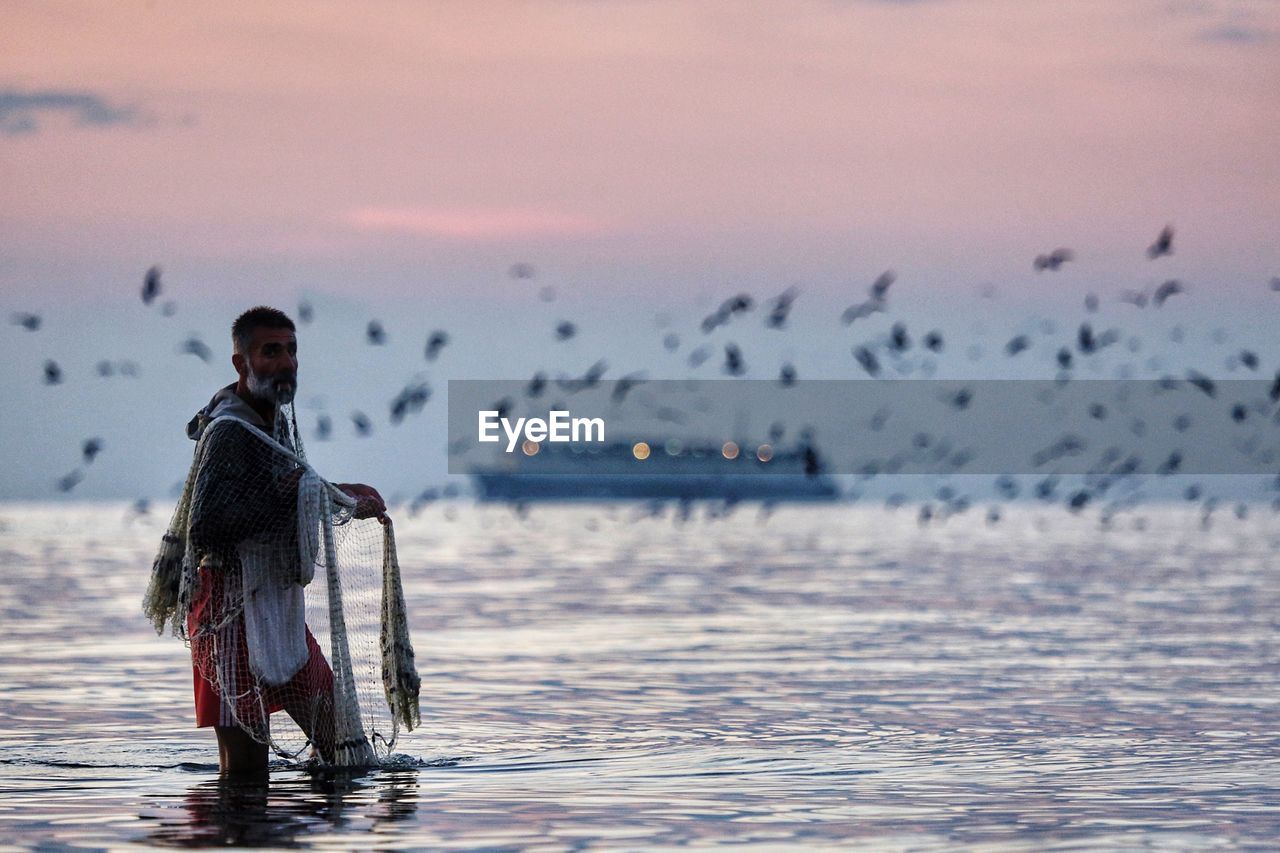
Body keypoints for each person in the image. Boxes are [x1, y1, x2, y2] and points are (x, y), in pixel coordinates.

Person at [183, 306, 388, 775]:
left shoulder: (270, 422)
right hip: (227, 618)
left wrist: (338, 494)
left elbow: (284, 490)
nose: (286, 362)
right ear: (242, 363)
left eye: (292, 350)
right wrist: (303, 494)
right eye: (271, 351)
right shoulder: (230, 432)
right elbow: (206, 528)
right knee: (245, 774)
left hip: (277, 611)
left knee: (346, 752)